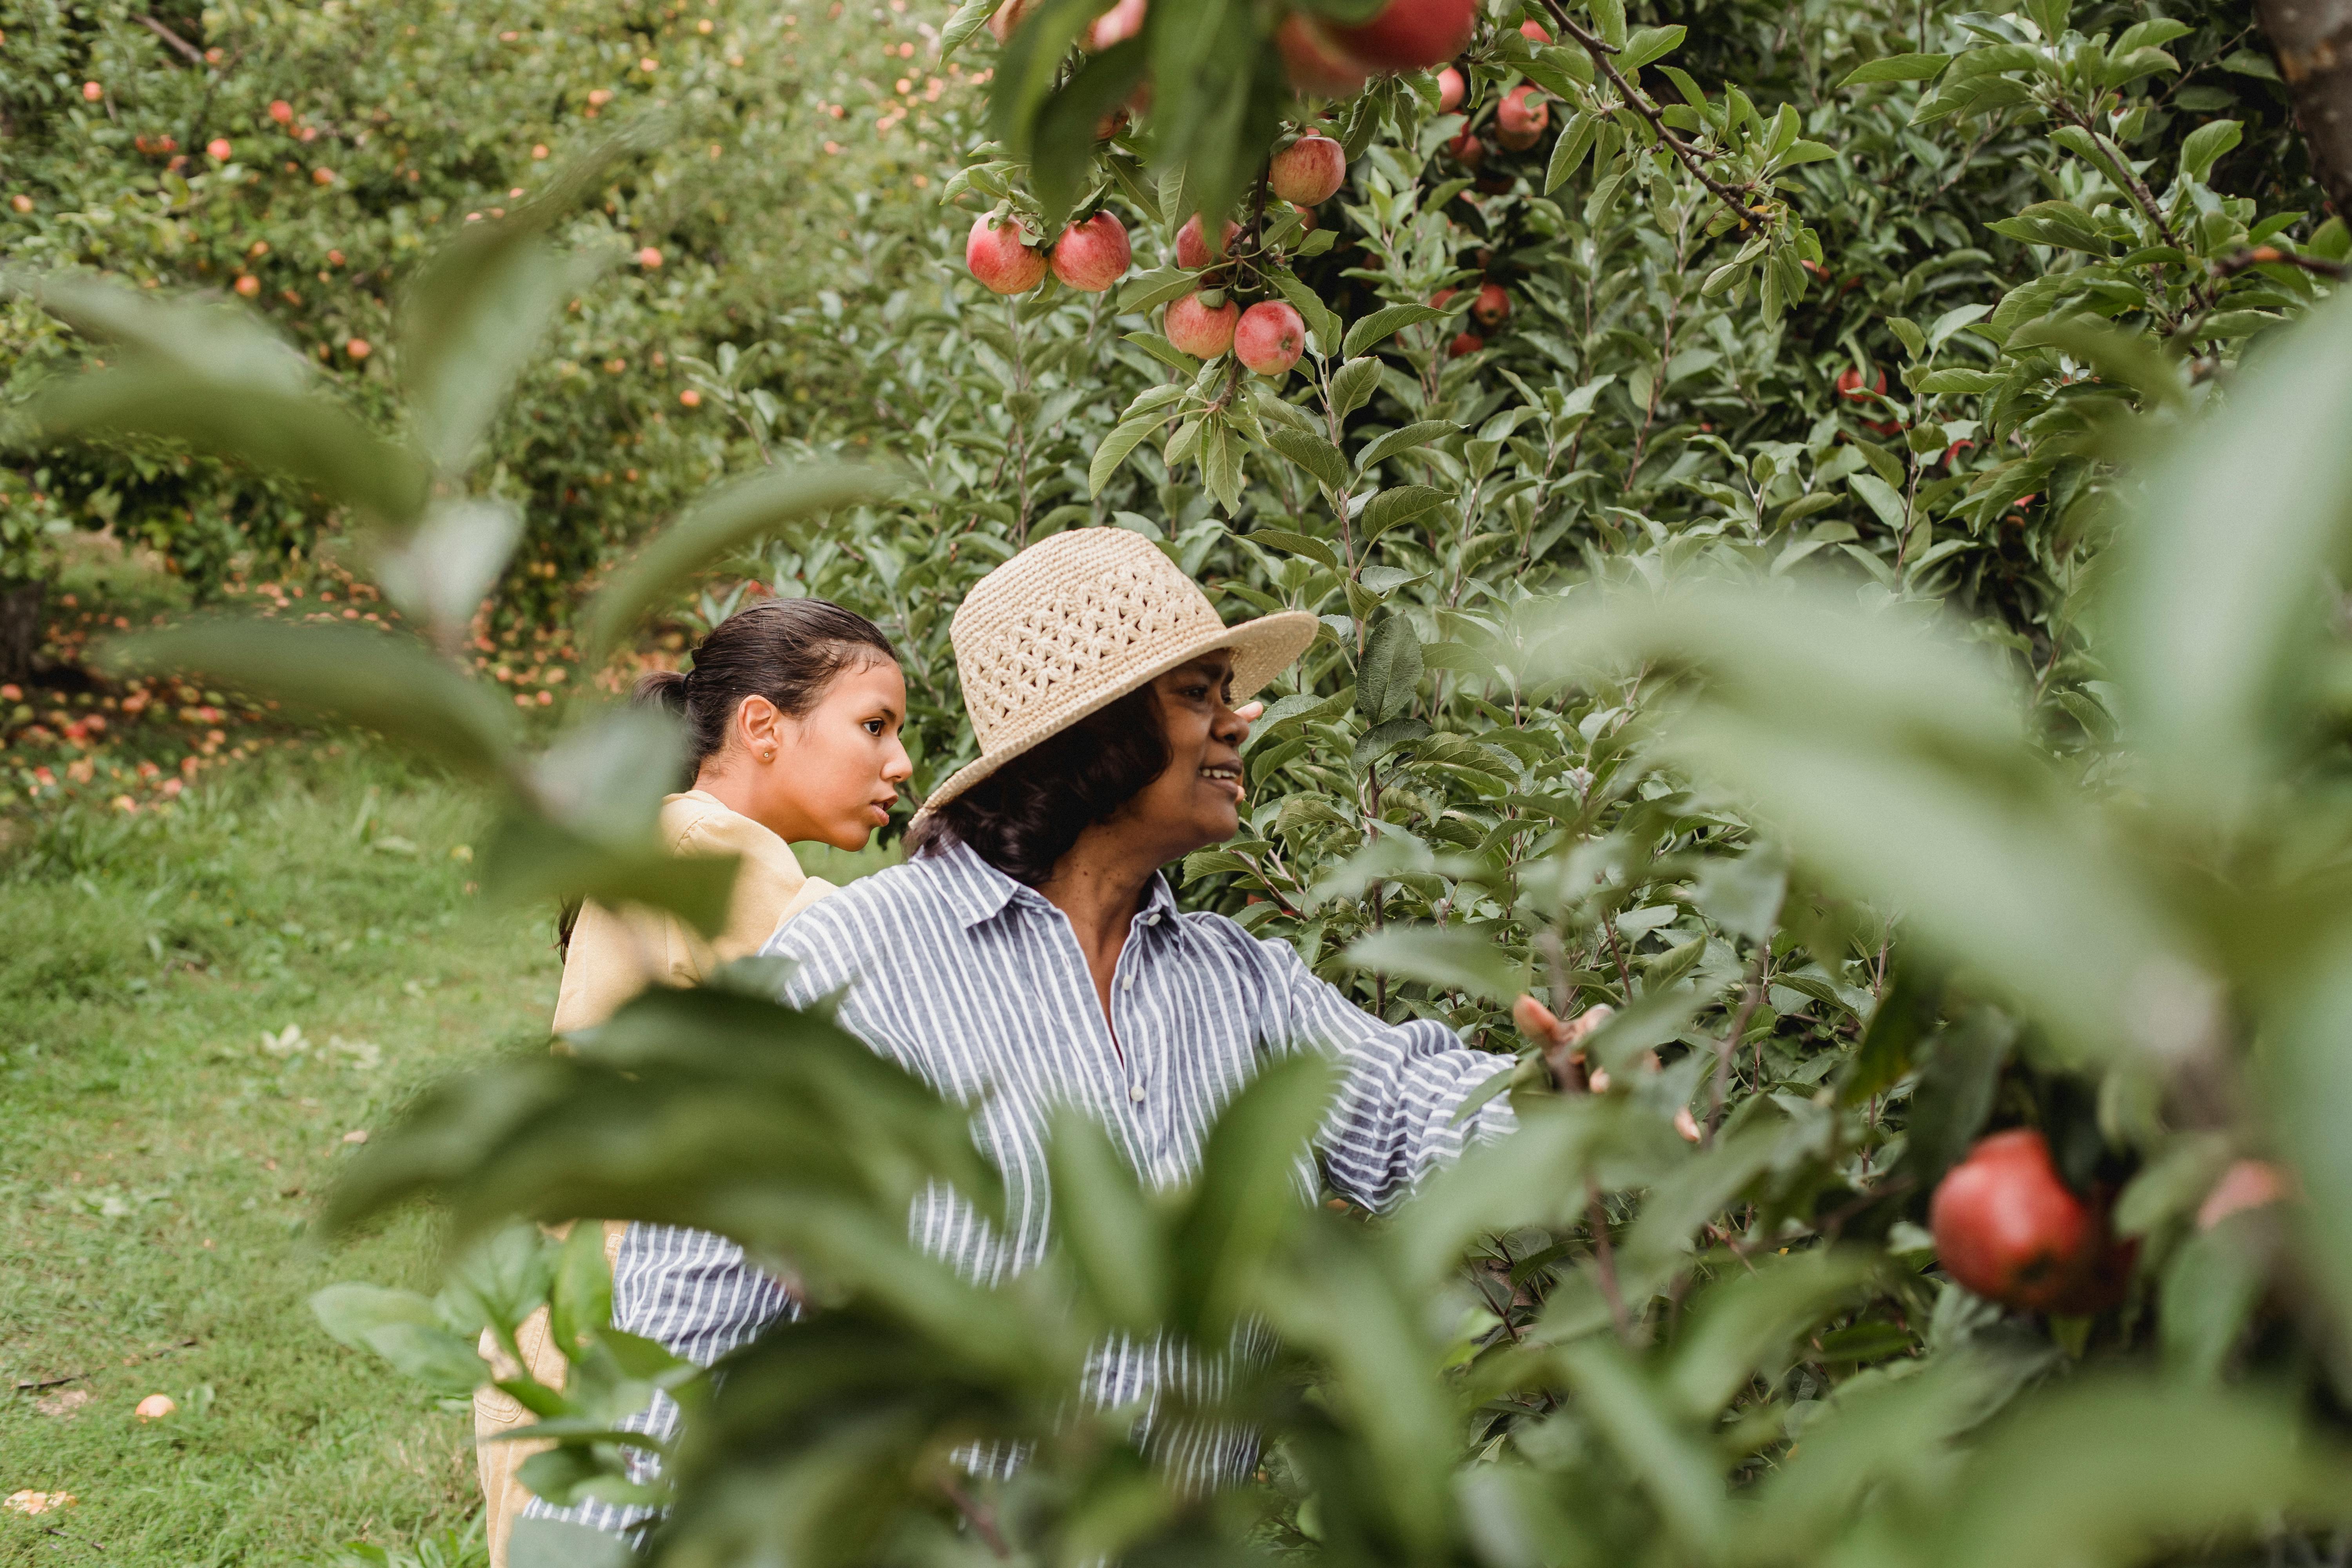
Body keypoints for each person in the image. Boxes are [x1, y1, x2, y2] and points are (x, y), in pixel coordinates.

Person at [537, 528, 1525, 1543]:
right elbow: (691, 1300)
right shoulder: (852, 966)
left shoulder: (1240, 985)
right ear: (1097, 735)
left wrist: (1595, 1099)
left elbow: (1414, 1107)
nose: (1243, 719)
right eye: (1200, 694)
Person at [478, 597, 911, 1568]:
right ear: (763, 726)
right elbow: (887, 987)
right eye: (874, 725)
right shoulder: (707, 848)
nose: (901, 763)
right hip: (624, 1337)